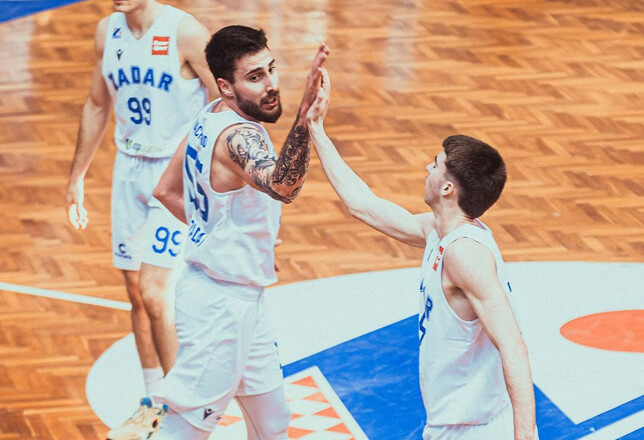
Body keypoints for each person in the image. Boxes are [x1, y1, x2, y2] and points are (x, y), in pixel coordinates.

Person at [306, 70, 537, 439]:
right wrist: (316, 129)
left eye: (435, 164)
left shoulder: (465, 255)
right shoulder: (438, 231)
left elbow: (514, 347)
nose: (427, 168)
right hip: (455, 421)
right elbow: (362, 205)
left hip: (475, 428)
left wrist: (524, 435)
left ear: (447, 188)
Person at [149, 26, 329, 439]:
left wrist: (234, 240)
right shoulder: (239, 136)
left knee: (272, 421)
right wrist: (305, 115)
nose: (271, 85)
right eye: (255, 77)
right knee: (185, 429)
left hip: (240, 296)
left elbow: (166, 191)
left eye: (271, 69)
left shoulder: (211, 114)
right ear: (226, 86)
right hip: (219, 310)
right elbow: (283, 186)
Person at [64, 0, 217, 438]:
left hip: (174, 177)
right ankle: (153, 404)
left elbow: (224, 103)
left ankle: (185, 414)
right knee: (135, 292)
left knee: (156, 293)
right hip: (128, 168)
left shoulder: (186, 32)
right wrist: (77, 176)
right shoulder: (106, 31)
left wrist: (211, 175)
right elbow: (97, 105)